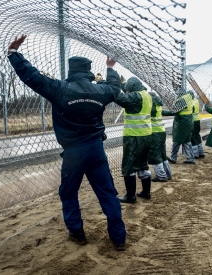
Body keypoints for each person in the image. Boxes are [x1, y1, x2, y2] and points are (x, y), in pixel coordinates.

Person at [7, 35, 126, 251]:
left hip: (73, 153)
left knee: (69, 192)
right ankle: (118, 238)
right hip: (96, 150)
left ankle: (77, 233)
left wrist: (14, 54)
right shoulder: (100, 91)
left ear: (71, 71)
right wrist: (110, 67)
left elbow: (32, 76)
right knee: (107, 193)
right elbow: (114, 87)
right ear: (89, 71)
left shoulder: (60, 89)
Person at [115, 77, 153, 203]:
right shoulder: (146, 95)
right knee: (142, 164)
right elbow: (129, 96)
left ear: (132, 88)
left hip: (134, 137)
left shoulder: (136, 96)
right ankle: (146, 192)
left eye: (128, 89)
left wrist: (111, 85)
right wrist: (123, 85)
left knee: (129, 165)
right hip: (146, 135)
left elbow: (121, 98)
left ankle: (130, 196)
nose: (127, 92)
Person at [162, 90, 195, 164]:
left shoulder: (182, 100)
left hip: (182, 123)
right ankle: (190, 158)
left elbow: (174, 111)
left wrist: (162, 112)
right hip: (188, 121)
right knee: (186, 140)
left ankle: (173, 157)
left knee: (177, 140)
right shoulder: (189, 98)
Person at [148, 92, 172, 182]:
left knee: (154, 154)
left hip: (154, 132)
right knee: (162, 154)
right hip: (161, 131)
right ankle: (168, 174)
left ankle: (161, 176)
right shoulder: (158, 104)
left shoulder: (151, 106)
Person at [189, 91, 205, 159]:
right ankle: (201, 152)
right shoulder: (196, 100)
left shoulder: (190, 102)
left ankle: (195, 154)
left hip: (192, 121)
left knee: (192, 137)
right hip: (197, 120)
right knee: (197, 136)